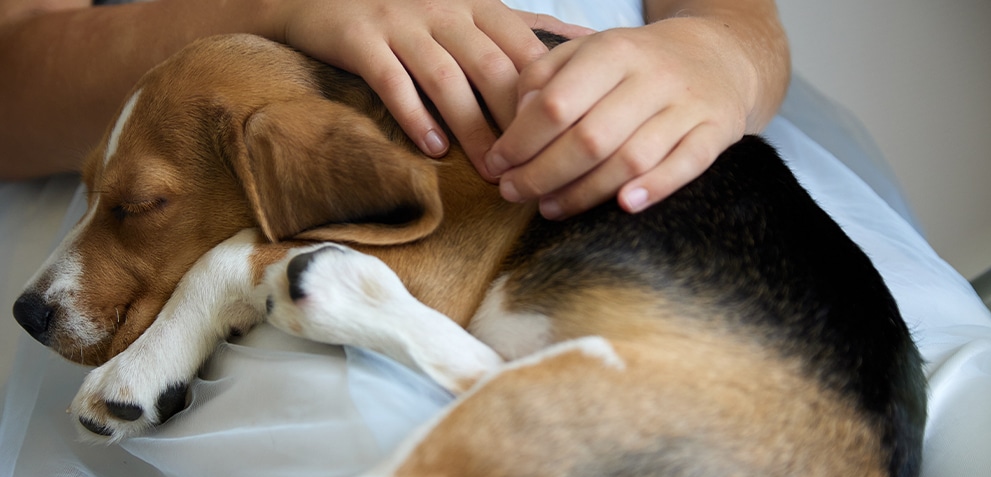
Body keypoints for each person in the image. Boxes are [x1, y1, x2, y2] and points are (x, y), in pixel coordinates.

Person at [0, 0, 789, 219]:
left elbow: (743, 20)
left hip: (673, 163)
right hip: (272, 211)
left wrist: (721, 54)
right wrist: (275, 11)